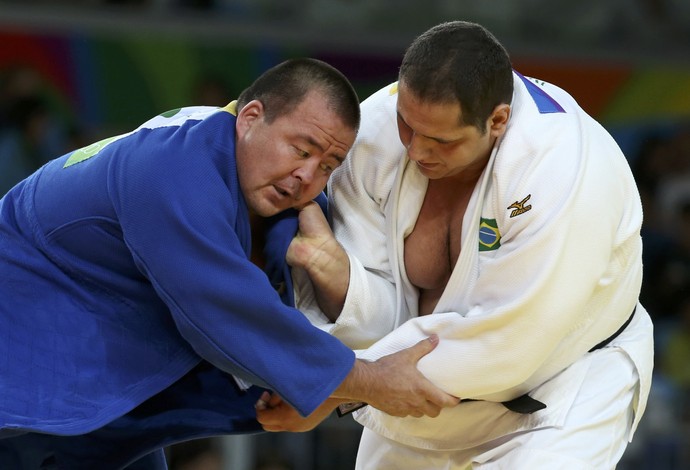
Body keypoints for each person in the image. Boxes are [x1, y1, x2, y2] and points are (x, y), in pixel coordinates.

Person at [0, 58, 458, 469]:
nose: (307, 176)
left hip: (102, 362)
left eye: (327, 164)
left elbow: (269, 281)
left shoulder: (234, 157)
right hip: (30, 353)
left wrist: (323, 386)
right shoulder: (169, 170)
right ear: (251, 117)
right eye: (301, 150)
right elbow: (223, 311)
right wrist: (368, 381)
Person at [257, 22, 655, 469]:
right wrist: (338, 277)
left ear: (497, 121)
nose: (417, 150)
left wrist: (336, 387)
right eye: (408, 126)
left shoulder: (561, 168)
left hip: (559, 388)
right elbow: (380, 313)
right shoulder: (375, 135)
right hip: (414, 395)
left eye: (442, 141)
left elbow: (511, 343)